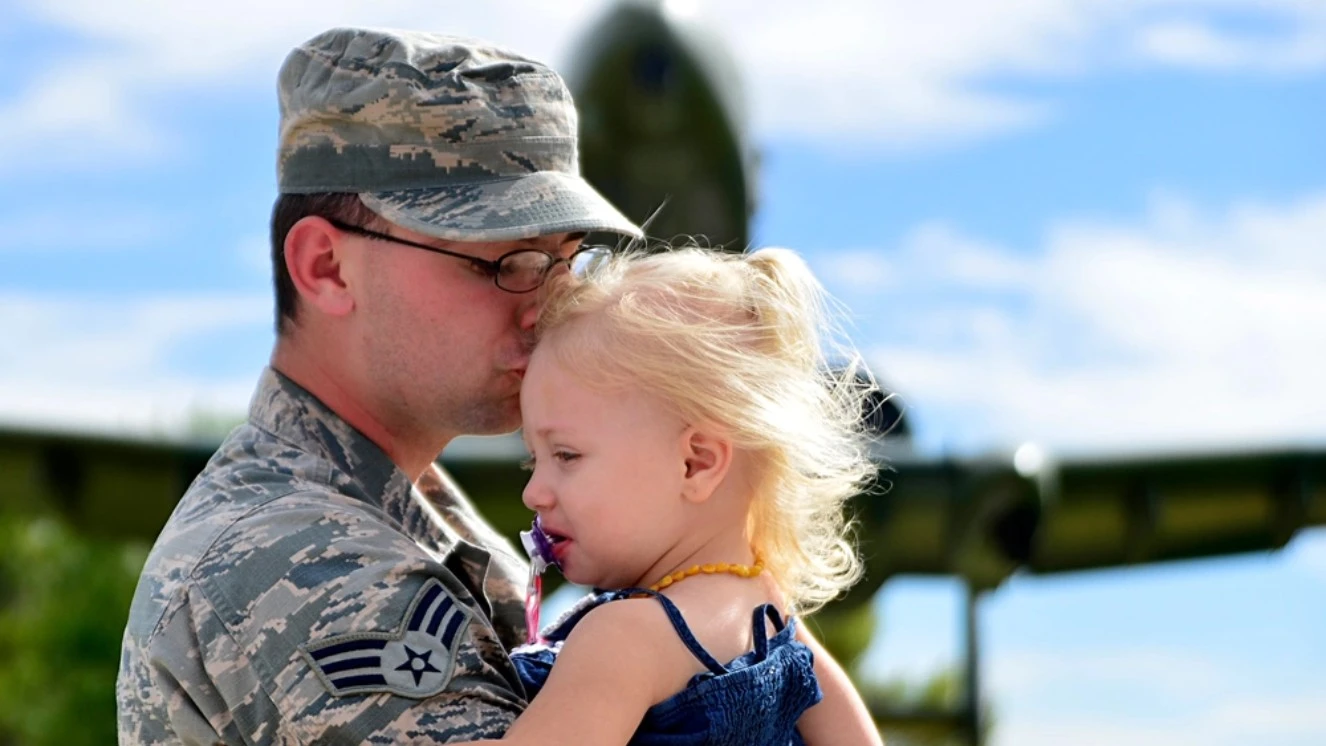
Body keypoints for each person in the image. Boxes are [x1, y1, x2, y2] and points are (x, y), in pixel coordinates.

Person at [116, 25, 876, 745]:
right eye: (505, 261)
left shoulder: (418, 517)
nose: (549, 307)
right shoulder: (301, 556)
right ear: (327, 267)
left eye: (564, 260)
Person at [463, 246, 885, 745]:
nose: (534, 493)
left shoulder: (624, 638)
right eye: (534, 460)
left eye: (567, 456)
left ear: (696, 463)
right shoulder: (773, 619)